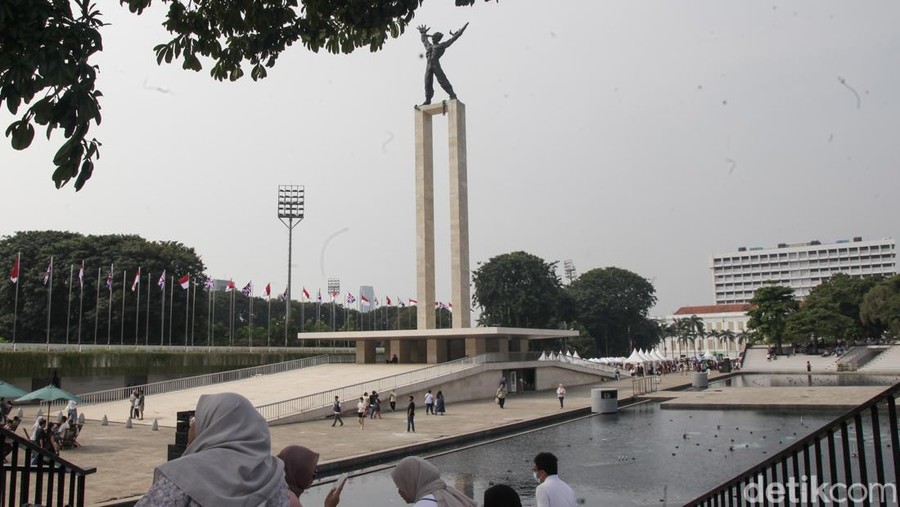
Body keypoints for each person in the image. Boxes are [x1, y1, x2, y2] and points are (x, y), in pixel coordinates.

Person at [135, 392, 292, 507]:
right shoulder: (274, 478)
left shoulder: (184, 475)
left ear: (213, 426)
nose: (192, 426)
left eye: (197, 420)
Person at [390, 456, 477, 507]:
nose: (399, 492)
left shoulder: (424, 504)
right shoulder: (450, 494)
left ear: (411, 483)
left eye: (401, 486)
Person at [416, 23, 469, 105]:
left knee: (442, 80)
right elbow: (424, 40)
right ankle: (428, 99)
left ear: (437, 39)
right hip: (428, 66)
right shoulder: (429, 46)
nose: (432, 38)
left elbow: (452, 40)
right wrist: (423, 33)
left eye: (434, 37)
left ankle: (452, 95)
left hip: (435, 64)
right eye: (433, 37)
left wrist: (460, 32)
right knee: (427, 83)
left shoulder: (441, 45)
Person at [277, 445, 342, 507]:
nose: (314, 474)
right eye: (310, 470)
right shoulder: (289, 501)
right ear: (298, 472)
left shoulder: (278, 494)